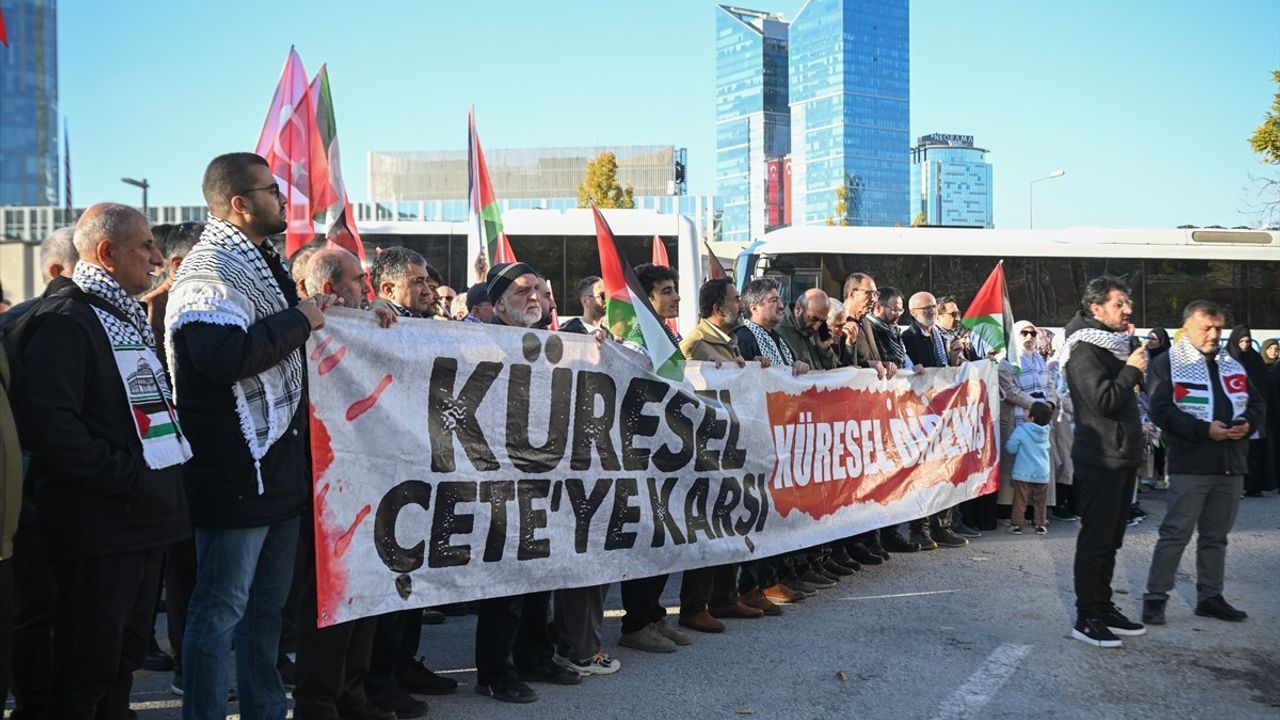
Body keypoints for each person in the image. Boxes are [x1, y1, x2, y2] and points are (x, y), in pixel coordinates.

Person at [167, 153, 335, 719]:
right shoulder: (208, 272)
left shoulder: (262, 263)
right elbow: (221, 358)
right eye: (271, 190)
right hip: (236, 473)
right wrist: (301, 320)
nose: (283, 200)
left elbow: (294, 329)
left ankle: (265, 710)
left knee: (267, 611)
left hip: (277, 469)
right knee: (220, 611)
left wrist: (347, 315)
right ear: (240, 203)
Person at [12, 202, 193, 718]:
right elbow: (51, 427)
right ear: (107, 253)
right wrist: (129, 478)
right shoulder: (68, 320)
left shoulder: (123, 313)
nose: (157, 258)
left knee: (120, 662)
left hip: (144, 523)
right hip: (101, 528)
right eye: (146, 246)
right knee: (85, 668)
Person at [473, 261, 582, 703]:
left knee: (541, 572)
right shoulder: (477, 343)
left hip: (544, 474)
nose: (534, 296)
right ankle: (496, 671)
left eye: (538, 288)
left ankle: (536, 655)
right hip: (500, 478)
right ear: (498, 303)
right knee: (506, 582)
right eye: (522, 291)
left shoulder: (553, 343)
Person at [1142, 301, 1262, 625]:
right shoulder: (1168, 362)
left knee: (1216, 537)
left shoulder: (1232, 364)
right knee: (1175, 533)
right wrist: (1203, 430)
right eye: (1205, 328)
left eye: (1218, 328)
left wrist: (1248, 423)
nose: (1212, 334)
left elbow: (1257, 402)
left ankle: (1210, 597)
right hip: (1191, 464)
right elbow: (1161, 410)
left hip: (1231, 464)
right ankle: (1155, 598)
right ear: (1186, 328)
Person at [676, 278, 773, 629]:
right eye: (735, 300)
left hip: (730, 447)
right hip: (704, 452)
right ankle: (694, 605)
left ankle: (724, 597)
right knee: (706, 526)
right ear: (718, 309)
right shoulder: (696, 344)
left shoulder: (727, 342)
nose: (741, 305)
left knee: (729, 520)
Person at [1060, 275, 1149, 648]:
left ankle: (1104, 605)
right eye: (1119, 303)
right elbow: (1103, 401)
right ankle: (1087, 616)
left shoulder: (1115, 345)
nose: (1127, 309)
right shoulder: (1083, 349)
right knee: (1096, 539)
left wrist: (1131, 368)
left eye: (1127, 302)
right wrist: (1132, 370)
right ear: (1096, 309)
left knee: (1112, 540)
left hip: (1123, 455)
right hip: (1101, 458)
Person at [902, 291, 973, 545]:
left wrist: (955, 357)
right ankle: (918, 529)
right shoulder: (907, 338)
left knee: (946, 469)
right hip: (923, 414)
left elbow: (950, 370)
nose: (931, 311)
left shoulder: (942, 336)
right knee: (923, 473)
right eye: (925, 308)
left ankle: (942, 524)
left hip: (947, 413)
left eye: (933, 307)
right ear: (913, 313)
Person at [996, 321, 1060, 528]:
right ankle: (1010, 512)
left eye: (1033, 333)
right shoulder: (1007, 361)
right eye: (1024, 333)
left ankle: (1038, 512)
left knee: (1041, 465)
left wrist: (1049, 403)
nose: (1029, 337)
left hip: (1041, 421)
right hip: (1018, 420)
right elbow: (1010, 391)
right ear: (1016, 335)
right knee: (1014, 467)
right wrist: (1037, 406)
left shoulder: (1041, 360)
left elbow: (1050, 385)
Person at [1227, 325, 1275, 496]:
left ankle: (1255, 485)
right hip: (1233, 413)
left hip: (1254, 414)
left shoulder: (1255, 361)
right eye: (1241, 341)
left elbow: (1263, 388)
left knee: (1256, 449)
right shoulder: (1226, 360)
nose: (1245, 345)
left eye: (1247, 341)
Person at [1004, 402, 1054, 535]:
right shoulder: (1046, 431)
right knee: (1040, 500)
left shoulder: (1021, 430)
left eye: (1027, 411)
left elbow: (1011, 448)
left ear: (1031, 418)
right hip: (1042, 471)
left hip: (1023, 471)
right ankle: (1040, 524)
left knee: (1020, 499)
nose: (1024, 412)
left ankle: (1016, 525)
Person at [371, 247, 437, 319]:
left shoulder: (411, 317)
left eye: (426, 281)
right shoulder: (376, 319)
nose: (427, 291)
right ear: (388, 290)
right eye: (418, 281)